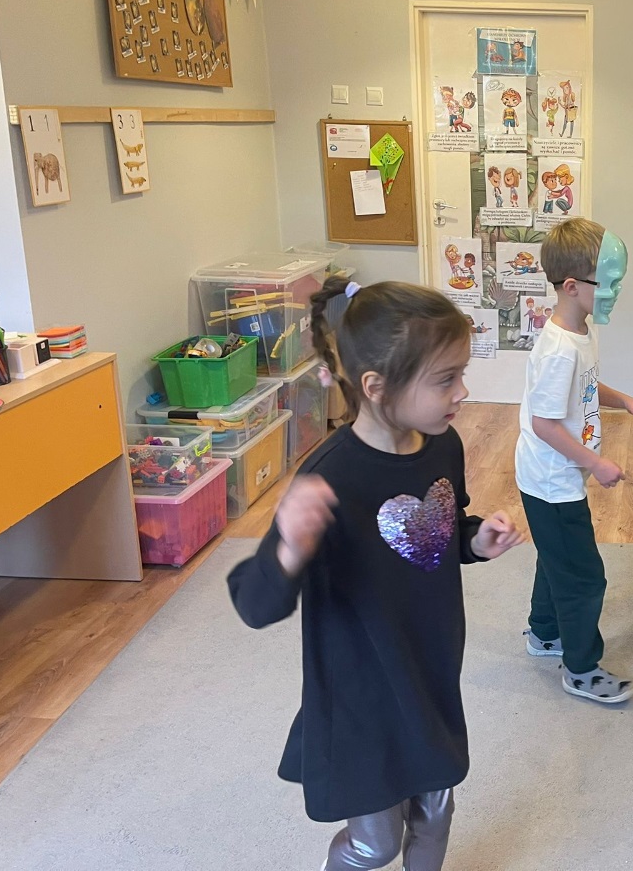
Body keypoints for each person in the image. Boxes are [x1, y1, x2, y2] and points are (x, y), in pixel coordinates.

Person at [227, 279, 524, 871]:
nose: (462, 392)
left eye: (461, 374)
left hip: (430, 670)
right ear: (375, 386)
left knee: (436, 812)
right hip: (361, 692)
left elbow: (439, 534)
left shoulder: (442, 446)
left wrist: (474, 541)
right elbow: (255, 604)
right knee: (376, 843)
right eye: (445, 379)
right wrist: (289, 549)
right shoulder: (328, 477)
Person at [515, 218, 633, 703]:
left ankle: (544, 633)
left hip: (551, 476)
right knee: (584, 576)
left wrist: (622, 399)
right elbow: (545, 424)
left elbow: (585, 386)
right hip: (553, 480)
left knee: (556, 559)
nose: (615, 293)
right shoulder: (558, 351)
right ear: (572, 286)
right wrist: (595, 462)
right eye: (608, 283)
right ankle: (581, 669)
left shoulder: (580, 333)